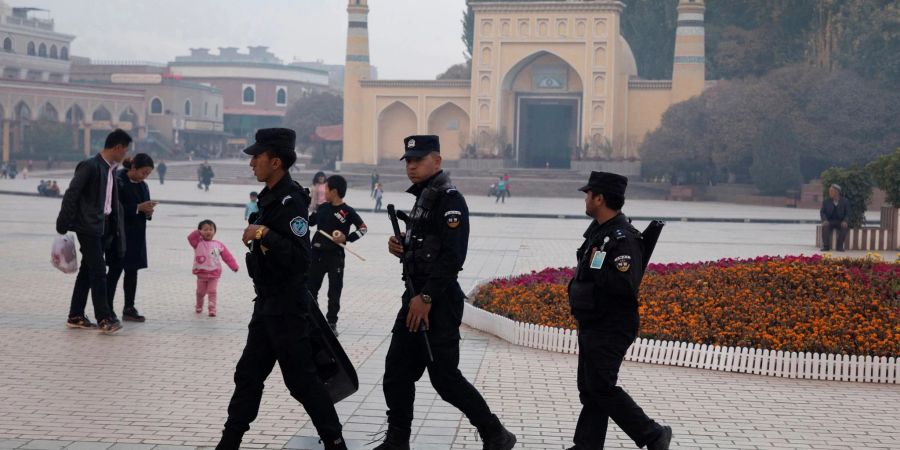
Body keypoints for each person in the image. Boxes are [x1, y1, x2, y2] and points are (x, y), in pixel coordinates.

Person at [377, 135, 516, 450]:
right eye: (409, 161)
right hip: (414, 298)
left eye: (418, 160)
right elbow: (427, 249)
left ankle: (496, 434)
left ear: (436, 161)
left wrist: (426, 298)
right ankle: (397, 441)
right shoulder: (425, 197)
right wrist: (401, 247)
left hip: (436, 301)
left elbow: (453, 258)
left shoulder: (450, 200)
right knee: (396, 372)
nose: (411, 166)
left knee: (445, 378)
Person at [216, 128, 347, 450]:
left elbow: (301, 257)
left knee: (302, 383)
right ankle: (229, 442)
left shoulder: (290, 201)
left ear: (275, 162)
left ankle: (335, 441)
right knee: (248, 375)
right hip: (268, 304)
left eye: (256, 157)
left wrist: (262, 233)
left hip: (287, 308)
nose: (251, 164)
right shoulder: (270, 197)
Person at [566, 171, 672, 450]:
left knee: (601, 387)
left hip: (612, 324)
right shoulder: (600, 233)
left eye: (589, 194)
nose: (586, 199)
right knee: (590, 389)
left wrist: (595, 272)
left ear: (600, 198)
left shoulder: (622, 238)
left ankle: (652, 433)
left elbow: (625, 285)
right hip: (593, 321)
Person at [55, 129, 131, 334]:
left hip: (103, 226)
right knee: (99, 271)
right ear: (116, 148)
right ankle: (105, 318)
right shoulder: (90, 166)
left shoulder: (110, 169)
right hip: (87, 226)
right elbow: (72, 193)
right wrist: (62, 224)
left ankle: (76, 314)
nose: (125, 154)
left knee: (88, 271)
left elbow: (110, 201)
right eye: (124, 150)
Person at [307, 175, 368, 334]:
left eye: (326, 189)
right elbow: (309, 222)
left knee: (334, 291)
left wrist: (346, 238)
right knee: (311, 288)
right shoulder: (322, 208)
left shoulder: (347, 212)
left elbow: (363, 229)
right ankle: (313, 318)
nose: (324, 191)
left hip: (335, 257)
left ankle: (331, 322)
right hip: (317, 254)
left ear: (334, 191)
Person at [106, 154, 156, 322]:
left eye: (148, 174)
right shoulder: (118, 181)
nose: (145, 176)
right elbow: (113, 208)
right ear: (133, 168)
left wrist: (148, 211)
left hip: (136, 235)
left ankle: (129, 307)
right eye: (143, 172)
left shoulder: (143, 186)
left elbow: (144, 208)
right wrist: (136, 208)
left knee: (132, 272)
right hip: (119, 234)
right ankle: (106, 309)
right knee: (114, 272)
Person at [188, 220, 239, 317]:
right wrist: (198, 233)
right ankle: (199, 305)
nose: (208, 232)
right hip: (201, 272)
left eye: (211, 229)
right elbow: (190, 238)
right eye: (205, 229)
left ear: (214, 231)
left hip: (214, 273)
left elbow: (227, 257)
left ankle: (212, 309)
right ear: (200, 231)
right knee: (200, 292)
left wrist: (234, 266)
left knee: (212, 291)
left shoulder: (218, 245)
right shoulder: (197, 243)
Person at [820, 183, 849, 252]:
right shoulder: (826, 201)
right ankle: (826, 246)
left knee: (844, 226)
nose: (830, 193)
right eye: (829, 191)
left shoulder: (845, 201)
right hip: (829, 221)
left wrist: (845, 221)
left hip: (840, 221)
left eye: (831, 191)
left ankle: (839, 246)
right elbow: (822, 212)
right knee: (825, 226)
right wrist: (824, 220)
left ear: (837, 192)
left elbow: (848, 213)